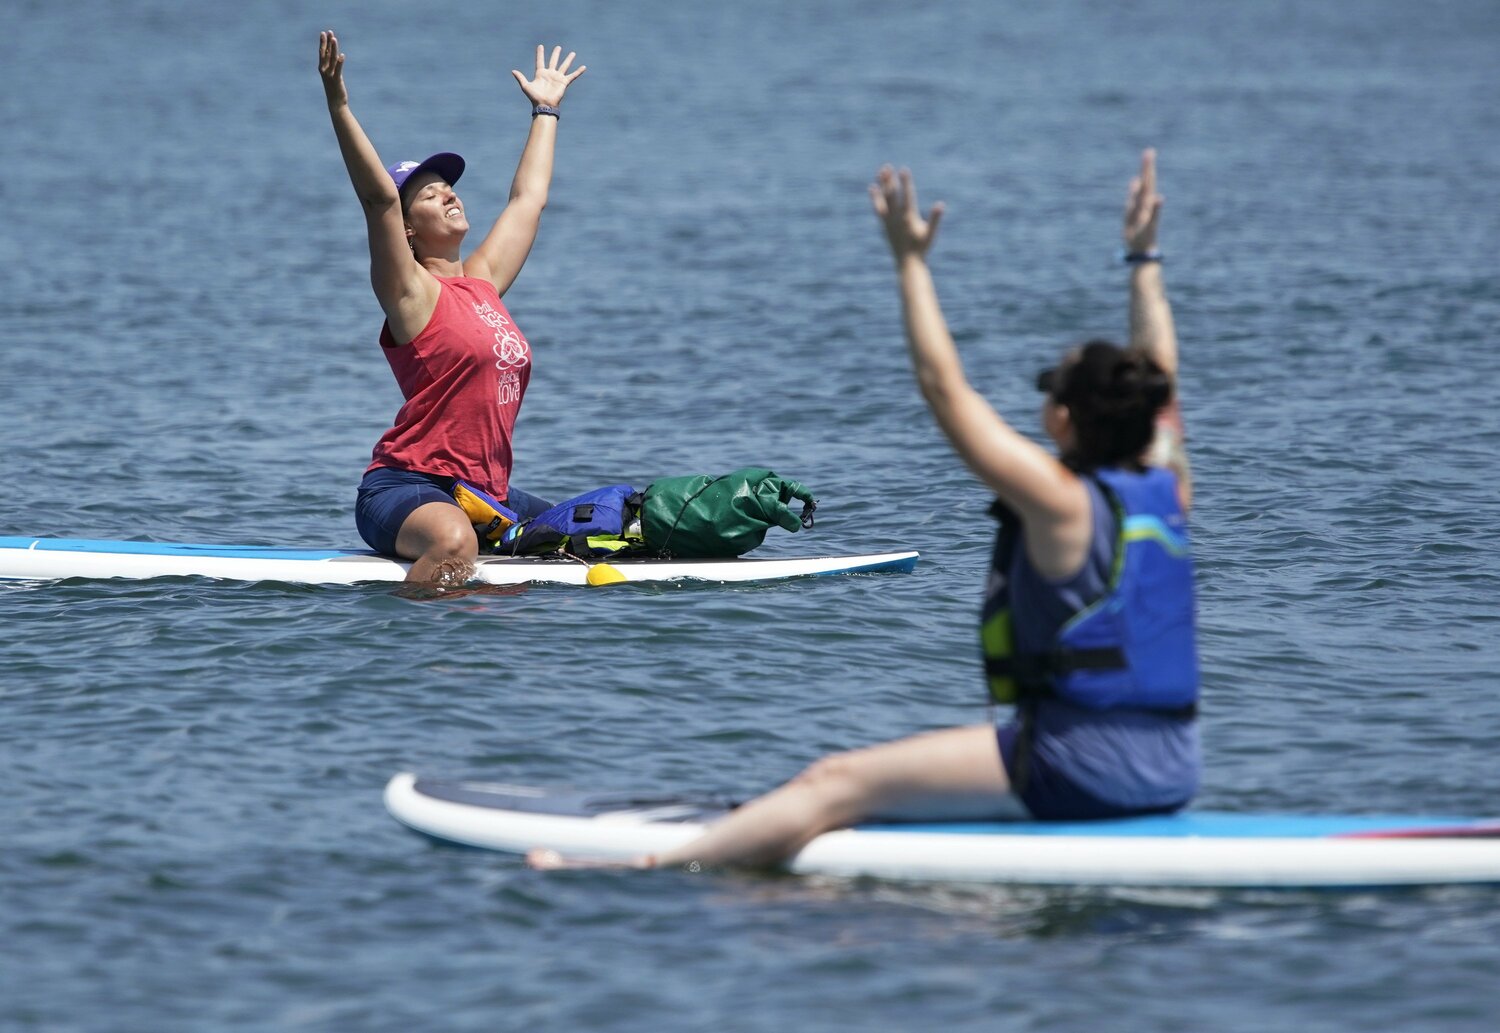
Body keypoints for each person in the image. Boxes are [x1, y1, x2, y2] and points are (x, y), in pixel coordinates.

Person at [531, 150, 1199, 871]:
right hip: (1171, 765)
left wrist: (910, 263)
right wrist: (1143, 257)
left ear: (1063, 418)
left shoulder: (1060, 503)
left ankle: (646, 873)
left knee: (834, 780)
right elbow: (1160, 375)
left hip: (1081, 765)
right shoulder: (1165, 489)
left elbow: (947, 392)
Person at [318, 31, 586, 584]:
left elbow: (527, 200)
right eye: (429, 193)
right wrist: (339, 105)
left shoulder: (483, 284)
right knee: (454, 541)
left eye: (450, 186)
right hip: (408, 487)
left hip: (483, 492)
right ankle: (418, 648)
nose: (449, 194)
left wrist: (545, 110)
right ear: (408, 228)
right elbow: (376, 200)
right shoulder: (409, 294)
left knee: (583, 533)